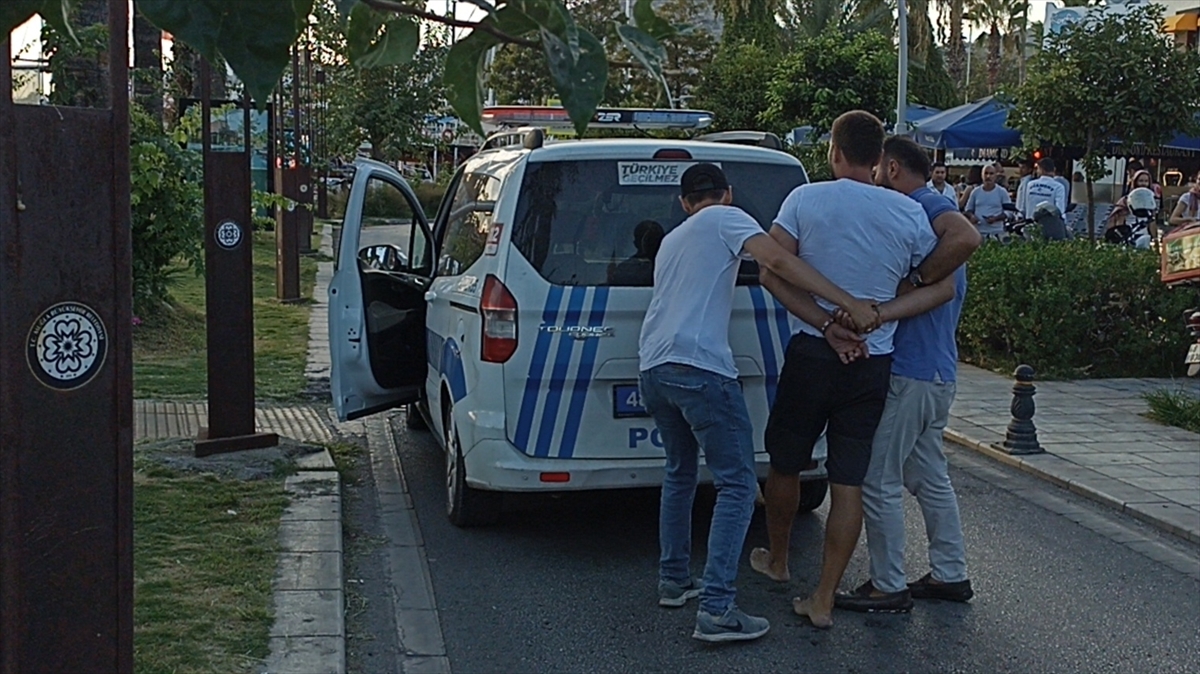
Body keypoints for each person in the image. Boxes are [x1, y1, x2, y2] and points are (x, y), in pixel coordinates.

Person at [747, 111, 979, 629]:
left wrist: (827, 323)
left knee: (786, 462)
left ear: (834, 152)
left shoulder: (805, 199)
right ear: (879, 160)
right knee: (849, 480)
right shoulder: (908, 213)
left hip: (813, 351)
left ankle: (779, 561)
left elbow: (772, 271)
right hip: (873, 363)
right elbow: (941, 288)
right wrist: (877, 316)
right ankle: (824, 598)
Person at [638, 163, 877, 643]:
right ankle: (717, 610)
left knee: (679, 473)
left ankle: (675, 580)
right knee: (738, 485)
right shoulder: (727, 217)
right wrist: (847, 302)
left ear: (684, 203)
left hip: (654, 367)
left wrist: (825, 326)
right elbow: (778, 263)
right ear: (727, 194)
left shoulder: (673, 239)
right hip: (700, 368)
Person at [833, 136, 979, 614]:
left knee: (878, 478)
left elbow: (966, 237)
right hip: (938, 371)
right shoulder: (924, 214)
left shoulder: (924, 207)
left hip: (912, 371)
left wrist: (913, 282)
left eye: (878, 171)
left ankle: (887, 584)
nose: (875, 180)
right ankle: (950, 573)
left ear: (892, 168)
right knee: (929, 475)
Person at [608, 220, 665, 285]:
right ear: (636, 243)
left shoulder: (668, 266)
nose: (651, 243)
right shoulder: (624, 269)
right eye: (648, 240)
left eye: (654, 239)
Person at [962, 164, 1011, 238]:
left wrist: (996, 218)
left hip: (997, 232)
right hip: (979, 232)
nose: (988, 176)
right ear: (982, 175)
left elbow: (1009, 212)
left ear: (995, 176)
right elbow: (968, 209)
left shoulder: (1002, 192)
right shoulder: (975, 192)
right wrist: (972, 216)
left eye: (991, 174)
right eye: (986, 173)